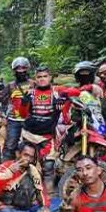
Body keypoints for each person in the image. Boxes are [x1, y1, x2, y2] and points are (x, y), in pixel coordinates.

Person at [20, 65, 80, 198]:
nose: (42, 79)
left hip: (47, 137)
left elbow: (76, 92)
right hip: (29, 135)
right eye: (39, 77)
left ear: (50, 77)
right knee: (25, 166)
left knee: (48, 168)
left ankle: (50, 197)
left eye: (45, 76)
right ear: (35, 79)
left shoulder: (56, 91)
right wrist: (24, 103)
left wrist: (63, 97)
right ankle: (26, 195)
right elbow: (23, 114)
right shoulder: (30, 93)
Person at [0, 141, 60, 212]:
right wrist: (10, 172)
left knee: (59, 202)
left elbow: (40, 191)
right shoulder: (6, 166)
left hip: (28, 207)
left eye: (31, 157)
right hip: (9, 208)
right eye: (25, 155)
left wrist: (45, 208)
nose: (28, 159)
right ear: (18, 154)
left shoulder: (33, 170)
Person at [0, 57, 32, 161]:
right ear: (14, 71)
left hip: (30, 119)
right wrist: (0, 91)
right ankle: (5, 168)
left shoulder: (33, 84)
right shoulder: (11, 85)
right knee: (10, 146)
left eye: (23, 69)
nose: (20, 71)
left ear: (27, 70)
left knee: (31, 146)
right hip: (14, 120)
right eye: (18, 69)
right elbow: (2, 101)